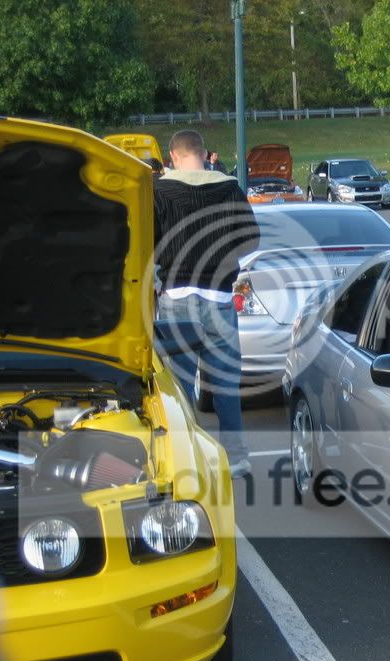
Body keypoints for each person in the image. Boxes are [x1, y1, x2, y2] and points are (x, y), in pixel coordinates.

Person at [153, 130, 259, 478]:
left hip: (175, 299)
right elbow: (250, 239)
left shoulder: (158, 191)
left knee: (178, 387)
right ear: (203, 153)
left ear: (173, 155)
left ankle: (182, 460)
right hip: (219, 298)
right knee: (225, 385)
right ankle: (236, 459)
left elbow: (147, 241)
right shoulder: (229, 188)